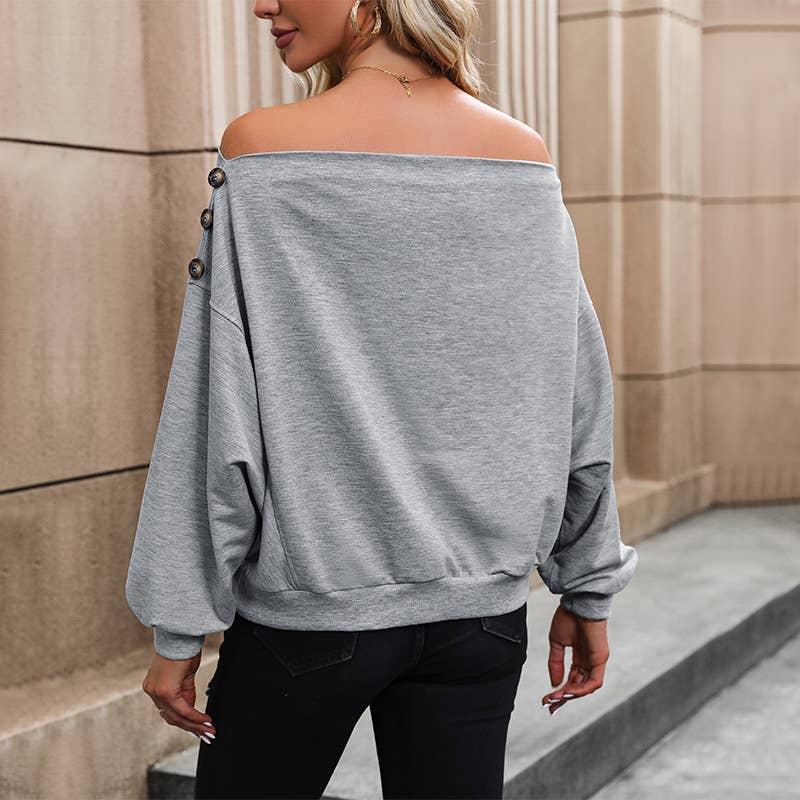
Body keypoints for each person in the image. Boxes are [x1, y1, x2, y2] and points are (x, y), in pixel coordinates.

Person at [124, 1, 638, 798]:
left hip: (311, 622)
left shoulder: (261, 151)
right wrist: (588, 581)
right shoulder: (523, 157)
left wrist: (180, 621)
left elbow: (216, 404)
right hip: (481, 622)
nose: (262, 5)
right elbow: (575, 392)